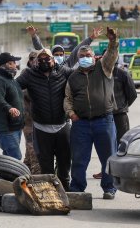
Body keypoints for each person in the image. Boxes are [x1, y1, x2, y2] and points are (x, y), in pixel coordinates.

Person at [64, 27, 119, 199]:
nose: (85, 59)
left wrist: (113, 41)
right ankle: (77, 187)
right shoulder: (73, 77)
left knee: (108, 157)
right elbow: (67, 98)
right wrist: (71, 113)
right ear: (78, 59)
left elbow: (111, 54)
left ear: (94, 56)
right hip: (80, 124)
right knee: (79, 158)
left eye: (88, 56)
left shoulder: (104, 68)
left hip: (104, 121)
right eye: (82, 57)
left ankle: (109, 188)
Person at [17, 48, 73, 191]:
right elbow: (14, 87)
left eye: (47, 59)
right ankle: (49, 192)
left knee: (64, 162)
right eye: (40, 60)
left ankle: (65, 189)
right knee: (45, 164)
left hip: (62, 125)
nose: (44, 62)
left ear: (53, 60)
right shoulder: (29, 74)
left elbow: (82, 81)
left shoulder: (64, 72)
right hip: (41, 127)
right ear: (36, 62)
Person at [92, 51, 137, 179]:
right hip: (104, 116)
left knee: (121, 144)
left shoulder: (122, 74)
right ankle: (106, 171)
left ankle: (122, 173)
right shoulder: (100, 74)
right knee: (106, 145)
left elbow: (132, 94)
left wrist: (122, 106)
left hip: (119, 116)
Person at [0, 52, 24, 160]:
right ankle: (12, 176)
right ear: (2, 65)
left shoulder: (12, 80)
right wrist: (9, 108)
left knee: (8, 159)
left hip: (16, 126)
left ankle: (3, 176)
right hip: (6, 127)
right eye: (11, 63)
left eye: (14, 63)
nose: (14, 65)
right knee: (15, 158)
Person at [26, 25, 103, 67]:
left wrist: (91, 38)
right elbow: (40, 49)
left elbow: (77, 49)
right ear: (51, 56)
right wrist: (34, 36)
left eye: (61, 54)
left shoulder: (68, 64)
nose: (59, 57)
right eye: (56, 55)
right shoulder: (47, 66)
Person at [22, 51, 41, 174]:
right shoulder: (26, 74)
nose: (34, 61)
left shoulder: (43, 73)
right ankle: (35, 174)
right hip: (29, 120)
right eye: (32, 59)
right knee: (33, 148)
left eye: (37, 58)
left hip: (41, 120)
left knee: (31, 151)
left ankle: (25, 168)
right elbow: (24, 93)